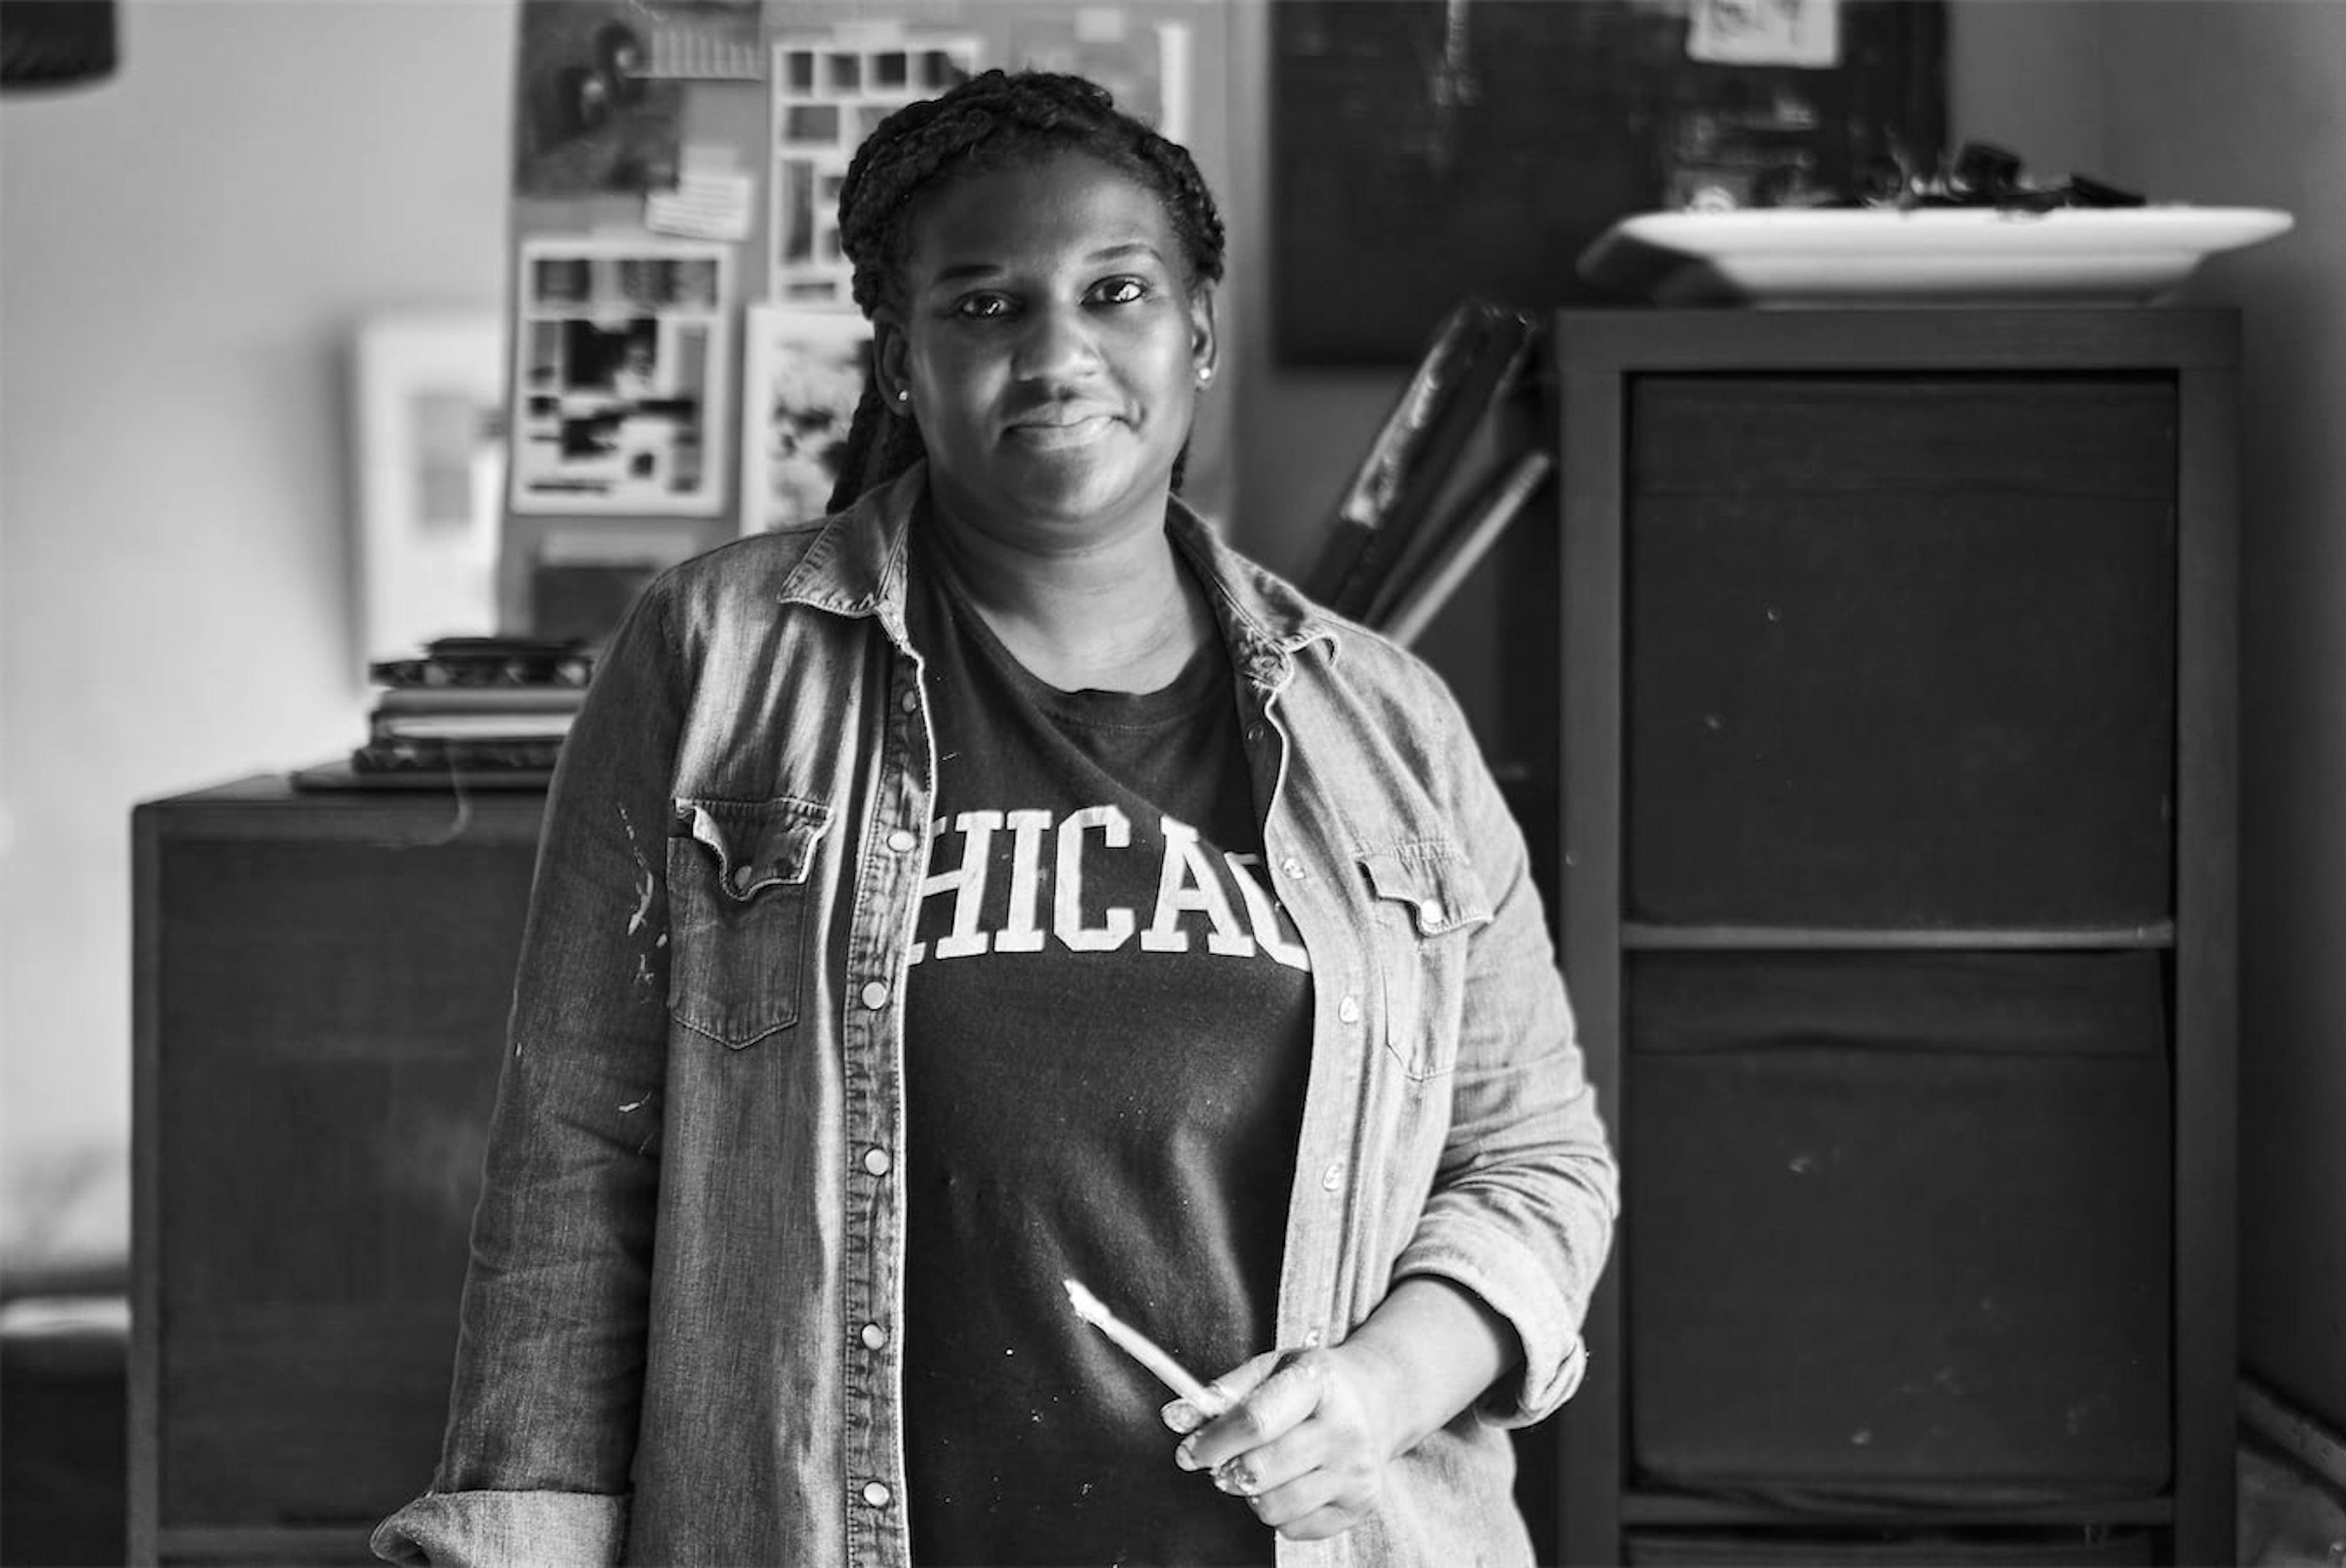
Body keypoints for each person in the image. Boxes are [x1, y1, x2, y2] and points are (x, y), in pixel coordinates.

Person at [373, 68, 1615, 1568]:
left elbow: (1536, 1163)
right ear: (900, 360)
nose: (1059, 351)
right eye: (984, 304)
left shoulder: (1392, 727)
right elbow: (576, 1167)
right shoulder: (717, 659)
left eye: (1116, 291)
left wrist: (1375, 1392)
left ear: (1198, 330)